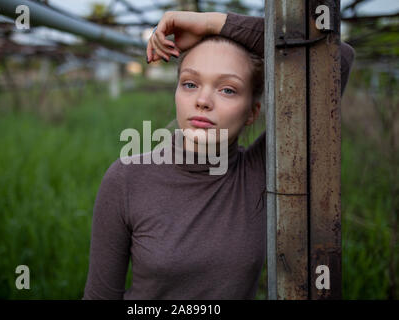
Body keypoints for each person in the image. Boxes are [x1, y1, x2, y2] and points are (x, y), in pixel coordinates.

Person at [83, 11, 355, 300]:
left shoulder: (262, 171)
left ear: (252, 113)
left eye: (227, 89)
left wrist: (214, 23)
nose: (202, 101)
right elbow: (100, 295)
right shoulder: (127, 178)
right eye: (190, 84)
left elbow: (333, 59)